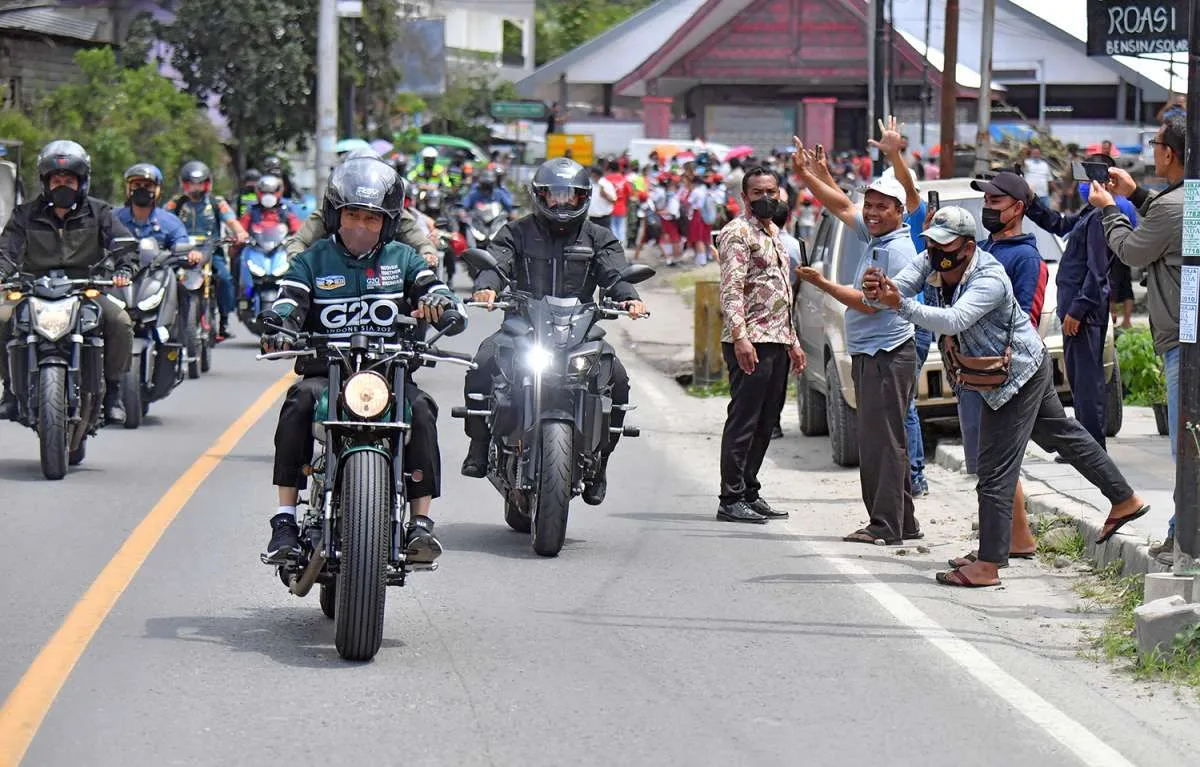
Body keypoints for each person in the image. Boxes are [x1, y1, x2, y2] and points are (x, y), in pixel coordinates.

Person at [864, 206, 1149, 587]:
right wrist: (880, 289)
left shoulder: (989, 275)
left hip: (1016, 375)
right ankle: (1124, 498)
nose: (936, 251)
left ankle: (988, 564)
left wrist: (898, 303)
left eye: (945, 245)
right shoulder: (928, 261)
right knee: (1061, 434)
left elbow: (953, 320)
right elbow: (897, 289)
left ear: (967, 247)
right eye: (931, 243)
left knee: (994, 468)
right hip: (1003, 371)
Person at [260, 158, 465, 565]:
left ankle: (420, 523)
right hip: (327, 374)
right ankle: (284, 519)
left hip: (389, 376)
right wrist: (279, 323)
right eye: (352, 215)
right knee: (298, 402)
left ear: (387, 223)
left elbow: (434, 289)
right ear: (336, 215)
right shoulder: (313, 260)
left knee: (422, 410)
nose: (360, 226)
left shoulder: (403, 260)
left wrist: (441, 305)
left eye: (372, 219)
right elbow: (289, 299)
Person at [460, 158, 647, 505]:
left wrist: (629, 298)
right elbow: (496, 264)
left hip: (578, 329)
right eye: (554, 195)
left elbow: (615, 274)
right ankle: (479, 445)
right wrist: (486, 287)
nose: (561, 203)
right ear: (538, 196)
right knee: (482, 361)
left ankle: (602, 462)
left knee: (616, 376)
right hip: (524, 326)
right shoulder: (514, 232)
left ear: (584, 199)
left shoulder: (599, 237)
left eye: (571, 196)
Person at [793, 136, 921, 545]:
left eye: (884, 206)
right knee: (887, 439)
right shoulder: (877, 237)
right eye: (872, 204)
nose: (873, 212)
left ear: (902, 212)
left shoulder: (894, 252)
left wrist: (823, 283)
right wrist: (811, 176)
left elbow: (869, 306)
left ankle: (885, 526)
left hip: (885, 354)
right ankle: (904, 521)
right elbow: (841, 205)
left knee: (880, 443)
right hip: (876, 352)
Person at [1089, 114, 1186, 564]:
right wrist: (1136, 194)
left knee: (1184, 447)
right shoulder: (1189, 200)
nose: (1152, 151)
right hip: (1186, 335)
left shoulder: (1172, 207)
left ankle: (1182, 537)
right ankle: (1178, 532)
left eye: (1155, 144)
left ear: (1168, 153)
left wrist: (1109, 209)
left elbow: (1131, 250)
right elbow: (1172, 225)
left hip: (1184, 344)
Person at [0, 140, 134, 422]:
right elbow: (6, 250)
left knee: (120, 322)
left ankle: (113, 392)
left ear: (81, 182)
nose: (62, 185)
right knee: (2, 320)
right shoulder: (25, 214)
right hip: (33, 289)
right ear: (45, 182)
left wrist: (124, 269)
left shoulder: (100, 212)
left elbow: (124, 245)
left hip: (86, 287)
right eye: (56, 179)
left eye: (69, 180)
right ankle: (10, 393)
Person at [715, 167, 807, 522]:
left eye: (771, 191)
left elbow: (782, 293)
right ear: (745, 197)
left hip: (778, 340)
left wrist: (793, 342)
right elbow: (732, 289)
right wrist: (741, 337)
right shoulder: (737, 233)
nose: (765, 197)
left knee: (768, 419)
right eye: (757, 193)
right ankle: (731, 497)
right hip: (750, 341)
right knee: (745, 419)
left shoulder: (774, 233)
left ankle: (749, 490)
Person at [1024, 154, 1119, 449]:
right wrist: (1030, 201)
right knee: (1079, 380)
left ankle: (1092, 448)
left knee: (1088, 382)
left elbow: (1097, 272)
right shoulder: (1088, 215)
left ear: (1106, 182)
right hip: (1076, 311)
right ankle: (1086, 446)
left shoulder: (1102, 218)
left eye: (1089, 180)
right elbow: (1059, 224)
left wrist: (1077, 310)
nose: (1083, 186)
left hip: (1085, 314)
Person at [960, 172, 1048, 474]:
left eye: (996, 201)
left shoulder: (1026, 258)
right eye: (985, 200)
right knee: (984, 465)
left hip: (1001, 376)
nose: (988, 207)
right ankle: (1001, 520)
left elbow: (1026, 322)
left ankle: (1010, 522)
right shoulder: (980, 250)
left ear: (1018, 208)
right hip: (972, 371)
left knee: (1001, 465)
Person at [165, 161, 249, 341]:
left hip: (212, 249)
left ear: (207, 183)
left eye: (199, 182)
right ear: (185, 183)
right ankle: (165, 318)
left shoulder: (217, 202)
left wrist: (240, 232)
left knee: (225, 278)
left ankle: (224, 321)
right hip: (182, 250)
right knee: (166, 277)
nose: (195, 187)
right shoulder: (176, 203)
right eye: (191, 183)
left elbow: (231, 221)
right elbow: (163, 220)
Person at [604, 160, 631, 245]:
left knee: (612, 228)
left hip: (609, 208)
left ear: (609, 168)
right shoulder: (624, 179)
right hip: (622, 208)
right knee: (621, 228)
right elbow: (629, 193)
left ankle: (614, 247)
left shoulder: (606, 179)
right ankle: (620, 247)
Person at [587, 164, 616, 231]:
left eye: (594, 175)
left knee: (604, 239)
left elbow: (614, 200)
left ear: (598, 175)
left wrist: (605, 195)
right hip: (592, 219)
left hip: (604, 219)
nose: (592, 177)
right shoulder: (590, 184)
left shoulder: (607, 184)